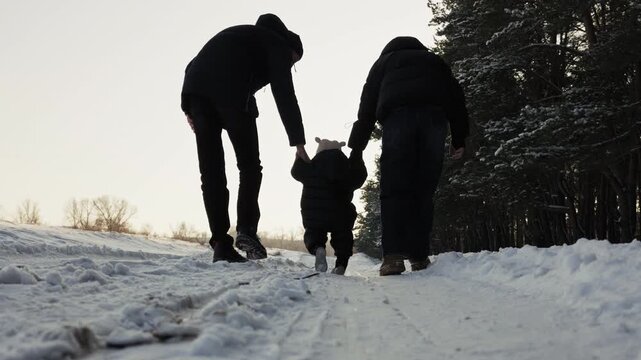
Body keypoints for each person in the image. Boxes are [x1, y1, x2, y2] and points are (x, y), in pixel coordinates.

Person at [180, 14, 310, 263]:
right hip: (231, 92)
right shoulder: (277, 44)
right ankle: (246, 231)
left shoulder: (237, 35)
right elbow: (284, 92)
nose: (289, 66)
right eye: (293, 62)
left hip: (198, 93)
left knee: (211, 171)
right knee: (250, 166)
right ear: (291, 49)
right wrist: (298, 142)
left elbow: (193, 65)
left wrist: (188, 107)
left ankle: (220, 243)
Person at [348, 36, 469, 276]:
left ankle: (392, 257)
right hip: (434, 119)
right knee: (423, 190)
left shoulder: (383, 63)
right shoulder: (434, 61)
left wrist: (357, 148)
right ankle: (419, 256)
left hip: (398, 119)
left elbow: (367, 106)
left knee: (394, 189)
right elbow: (456, 98)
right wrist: (459, 139)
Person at [291, 137, 367, 275]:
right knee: (343, 236)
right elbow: (359, 177)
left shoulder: (312, 166)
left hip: (314, 213)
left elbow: (297, 173)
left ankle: (318, 249)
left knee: (314, 233)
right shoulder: (346, 168)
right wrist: (357, 159)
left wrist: (299, 158)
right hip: (341, 214)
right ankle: (341, 264)